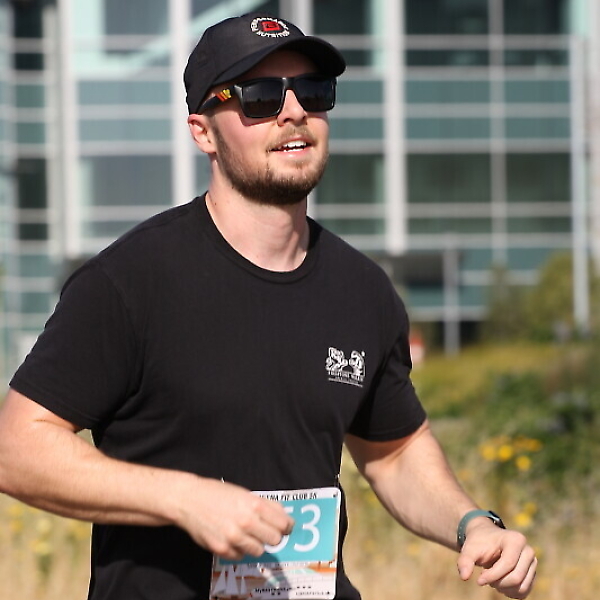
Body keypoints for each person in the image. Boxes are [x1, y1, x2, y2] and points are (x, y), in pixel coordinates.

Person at [0, 11, 537, 600]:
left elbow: (395, 451)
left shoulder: (363, 290)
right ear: (203, 132)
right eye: (259, 96)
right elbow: (17, 449)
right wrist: (182, 499)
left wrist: (472, 524)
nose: (293, 111)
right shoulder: (129, 282)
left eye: (313, 91)